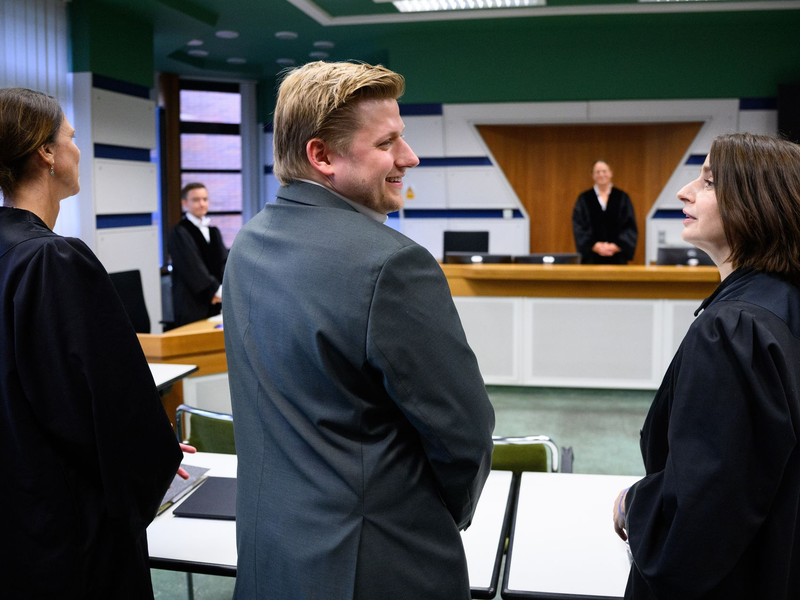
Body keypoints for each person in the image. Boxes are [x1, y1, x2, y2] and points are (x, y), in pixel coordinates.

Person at [223, 61, 496, 599]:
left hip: (271, 552)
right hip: (376, 564)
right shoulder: (393, 265)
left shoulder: (248, 245)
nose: (409, 157)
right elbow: (463, 433)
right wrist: (442, 515)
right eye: (388, 142)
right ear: (322, 155)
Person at [0, 87, 186, 598]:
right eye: (71, 138)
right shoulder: (52, 262)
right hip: (68, 532)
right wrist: (160, 458)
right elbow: (108, 403)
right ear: (45, 152)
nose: (77, 150)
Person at [612, 133, 800, 599]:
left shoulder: (733, 329)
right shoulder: (783, 303)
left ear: (758, 203)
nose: (685, 191)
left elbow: (702, 513)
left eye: (710, 181)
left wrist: (631, 506)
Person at [168, 182, 228, 327]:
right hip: (192, 303)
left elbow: (224, 262)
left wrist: (224, 288)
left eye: (205, 199)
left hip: (216, 300)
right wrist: (215, 291)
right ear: (184, 203)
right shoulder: (179, 232)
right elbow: (193, 267)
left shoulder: (214, 231)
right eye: (196, 200)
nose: (202, 204)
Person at [572, 160, 637, 264]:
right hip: (591, 258)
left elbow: (629, 226)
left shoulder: (622, 197)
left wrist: (616, 245)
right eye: (597, 172)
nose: (601, 174)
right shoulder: (584, 198)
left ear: (611, 173)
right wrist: (593, 245)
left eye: (604, 171)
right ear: (592, 175)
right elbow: (579, 227)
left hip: (617, 258)